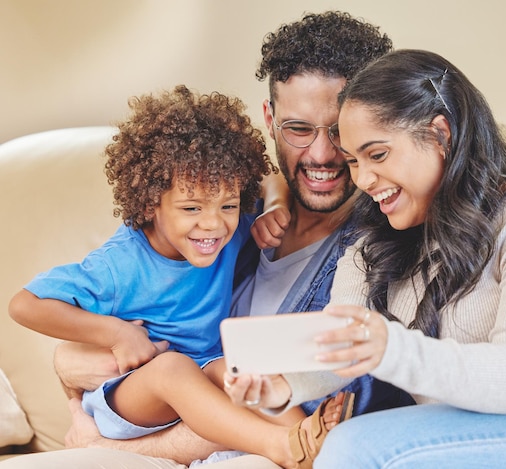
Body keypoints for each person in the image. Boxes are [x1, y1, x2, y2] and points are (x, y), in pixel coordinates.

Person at [0, 11, 411, 469]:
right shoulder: (224, 225)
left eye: (338, 131)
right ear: (270, 120)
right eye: (299, 129)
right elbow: (59, 334)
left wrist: (106, 448)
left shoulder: (384, 249)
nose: (319, 153)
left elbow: (351, 396)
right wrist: (89, 352)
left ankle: (297, 443)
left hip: (227, 432)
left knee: (232, 372)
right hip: (153, 396)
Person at [224, 49, 506, 467]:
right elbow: (337, 353)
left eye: (377, 155)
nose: (362, 179)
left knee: (357, 446)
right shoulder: (375, 241)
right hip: (467, 430)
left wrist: (390, 348)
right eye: (354, 161)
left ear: (440, 134)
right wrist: (282, 387)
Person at [8, 84, 349, 469]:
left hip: (205, 373)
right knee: (174, 368)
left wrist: (271, 206)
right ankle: (280, 445)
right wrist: (117, 334)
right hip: (133, 395)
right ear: (152, 204)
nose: (212, 224)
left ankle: (311, 441)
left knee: (242, 368)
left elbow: (273, 179)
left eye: (229, 204)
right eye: (190, 207)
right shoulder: (120, 264)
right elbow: (25, 305)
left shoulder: (228, 230)